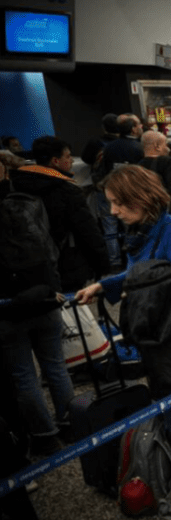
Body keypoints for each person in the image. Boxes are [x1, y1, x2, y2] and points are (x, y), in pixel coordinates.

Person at [75, 166, 171, 511]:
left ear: (140, 198)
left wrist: (147, 297)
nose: (113, 211)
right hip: (158, 337)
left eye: (118, 203)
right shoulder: (142, 231)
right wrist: (105, 286)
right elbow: (139, 273)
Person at [0, 159, 75, 457]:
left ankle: (46, 436)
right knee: (56, 365)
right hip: (45, 296)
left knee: (24, 376)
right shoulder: (29, 202)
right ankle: (71, 422)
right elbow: (52, 246)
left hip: (8, 307)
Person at [11, 136, 109, 292]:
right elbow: (87, 230)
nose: (71, 160)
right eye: (68, 156)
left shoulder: (16, 184)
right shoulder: (66, 190)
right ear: (55, 161)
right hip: (66, 263)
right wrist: (103, 265)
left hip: (27, 264)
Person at [138, 130, 171, 224]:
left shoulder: (137, 167)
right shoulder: (169, 162)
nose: (168, 149)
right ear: (157, 146)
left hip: (147, 217)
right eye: (166, 145)